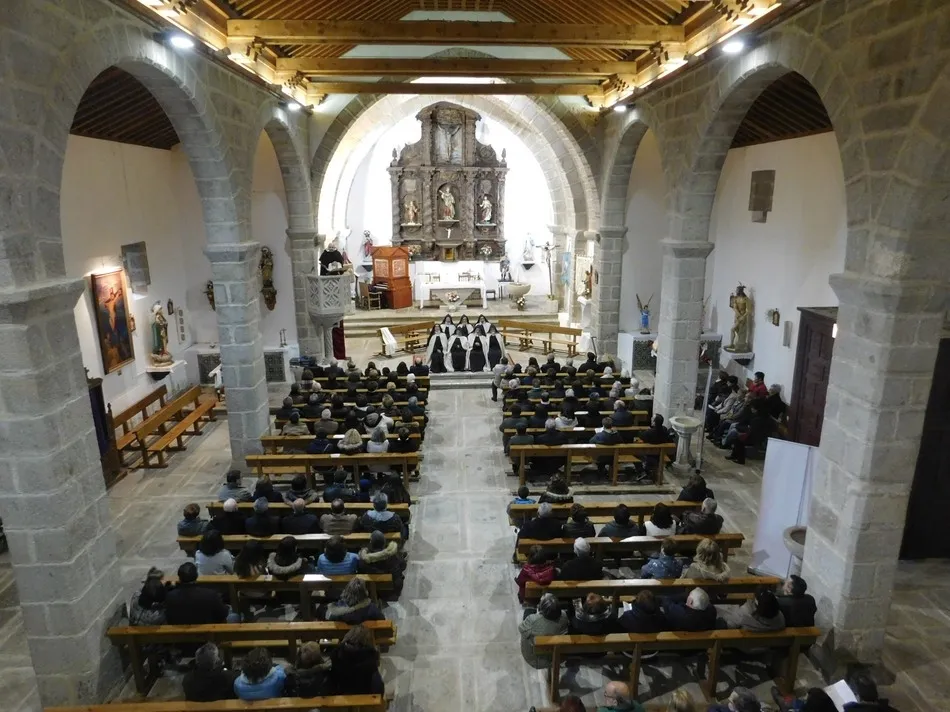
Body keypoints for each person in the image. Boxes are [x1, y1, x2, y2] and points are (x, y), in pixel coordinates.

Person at [165, 562, 232, 625]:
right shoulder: (210, 594)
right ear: (196, 576)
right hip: (207, 631)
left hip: (178, 632)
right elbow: (223, 614)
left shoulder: (170, 596)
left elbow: (168, 616)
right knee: (233, 616)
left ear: (179, 578)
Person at [329, 624, 385, 695]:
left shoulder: (337, 655)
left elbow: (332, 679)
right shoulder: (369, 659)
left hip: (341, 695)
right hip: (365, 697)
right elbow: (378, 687)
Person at [519, 593, 569, 668]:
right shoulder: (564, 616)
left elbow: (521, 629)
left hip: (536, 659)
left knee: (527, 613)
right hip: (557, 656)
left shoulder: (532, 619)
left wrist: (537, 615)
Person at [359, 529, 406, 596]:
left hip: (370, 591)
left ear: (371, 543)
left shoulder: (364, 560)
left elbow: (360, 570)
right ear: (384, 543)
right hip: (390, 591)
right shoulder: (392, 556)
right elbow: (403, 566)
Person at [720, 586, 786, 632]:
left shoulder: (746, 619)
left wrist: (749, 606)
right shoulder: (781, 619)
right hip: (766, 645)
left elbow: (730, 624)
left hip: (747, 646)